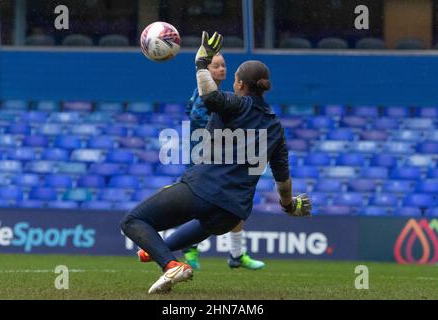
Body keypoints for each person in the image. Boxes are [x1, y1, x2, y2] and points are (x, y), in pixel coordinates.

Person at [120, 31, 312, 294]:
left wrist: (201, 63)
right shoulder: (275, 127)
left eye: (234, 80)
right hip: (231, 212)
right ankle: (155, 252)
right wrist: (289, 206)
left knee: (133, 222)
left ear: (242, 85)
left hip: (203, 189)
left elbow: (209, 97)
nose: (232, 83)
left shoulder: (237, 104)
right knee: (199, 226)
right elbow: (283, 178)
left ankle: (170, 265)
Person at [183, 53, 265, 271]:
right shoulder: (207, 95)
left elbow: (187, 110)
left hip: (220, 156)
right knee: (217, 204)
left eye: (223, 65)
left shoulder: (216, 95)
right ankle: (189, 245)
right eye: (216, 66)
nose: (221, 69)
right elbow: (197, 118)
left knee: (234, 201)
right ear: (206, 71)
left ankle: (236, 254)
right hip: (206, 158)